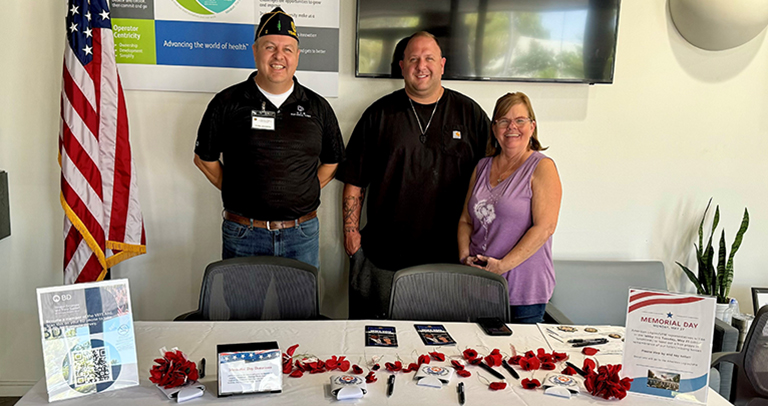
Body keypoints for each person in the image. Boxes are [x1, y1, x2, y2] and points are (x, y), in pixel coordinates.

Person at [336, 31, 490, 319]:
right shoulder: (379, 114)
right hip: (384, 256)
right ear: (401, 66)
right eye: (414, 59)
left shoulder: (470, 114)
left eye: (429, 58)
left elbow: (494, 180)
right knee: (380, 344)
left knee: (443, 345)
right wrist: (350, 231)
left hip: (450, 256)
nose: (422, 66)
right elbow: (355, 179)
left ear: (442, 64)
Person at [194, 7, 344, 268]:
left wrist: (302, 189)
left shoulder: (318, 107)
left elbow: (333, 161)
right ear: (255, 51)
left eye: (287, 49)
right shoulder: (227, 103)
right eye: (270, 47)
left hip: (302, 235)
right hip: (243, 234)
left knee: (301, 308)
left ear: (297, 56)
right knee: (243, 308)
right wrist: (240, 189)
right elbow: (204, 159)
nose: (279, 56)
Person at [457, 92, 562, 324]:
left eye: (520, 120)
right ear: (494, 129)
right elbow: (466, 219)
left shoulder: (542, 167)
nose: (511, 127)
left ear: (532, 126)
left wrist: (502, 267)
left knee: (519, 359)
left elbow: (545, 227)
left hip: (523, 293)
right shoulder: (482, 166)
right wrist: (465, 258)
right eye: (503, 121)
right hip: (477, 286)